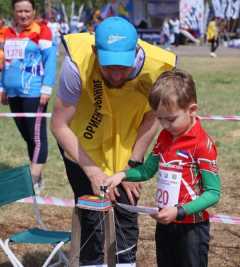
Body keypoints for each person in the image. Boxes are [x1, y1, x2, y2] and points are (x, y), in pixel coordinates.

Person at [51, 16, 176, 265]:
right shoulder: (76, 64)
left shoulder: (157, 69)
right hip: (82, 146)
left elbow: (153, 117)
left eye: (123, 66)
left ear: (136, 50)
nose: (117, 74)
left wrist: (131, 164)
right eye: (108, 66)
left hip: (127, 147)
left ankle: (125, 263)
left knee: (126, 212)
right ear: (96, 51)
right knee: (92, 218)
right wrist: (93, 172)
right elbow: (58, 125)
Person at [105, 69, 221, 267]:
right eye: (160, 119)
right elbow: (147, 170)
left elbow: (213, 193)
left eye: (171, 119)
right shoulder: (164, 137)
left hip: (191, 228)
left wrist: (180, 211)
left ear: (192, 110)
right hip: (165, 224)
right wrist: (122, 175)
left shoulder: (202, 145)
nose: (165, 125)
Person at [0, 0, 56, 192]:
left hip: (34, 91)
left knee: (37, 138)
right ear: (13, 12)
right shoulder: (5, 32)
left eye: (27, 11)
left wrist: (46, 87)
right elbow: (3, 62)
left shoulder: (42, 31)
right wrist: (2, 87)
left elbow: (50, 60)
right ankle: (37, 175)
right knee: (28, 137)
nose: (23, 15)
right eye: (19, 11)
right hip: (13, 92)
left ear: (34, 11)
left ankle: (32, 181)